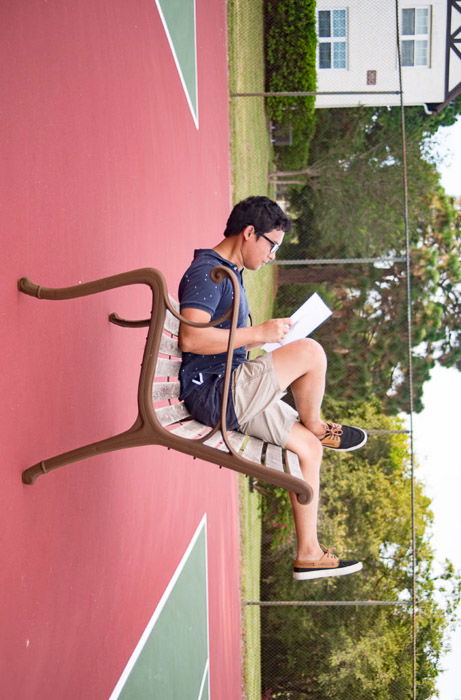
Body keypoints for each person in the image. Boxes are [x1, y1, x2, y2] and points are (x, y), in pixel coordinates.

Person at [178, 196, 367, 580]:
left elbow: (223, 339)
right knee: (311, 352)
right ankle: (314, 422)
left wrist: (259, 342)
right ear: (250, 233)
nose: (272, 256)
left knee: (309, 451)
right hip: (215, 392)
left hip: (230, 385)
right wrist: (258, 333)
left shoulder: (230, 273)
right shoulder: (209, 272)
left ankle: (309, 553)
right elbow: (190, 339)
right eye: (272, 245)